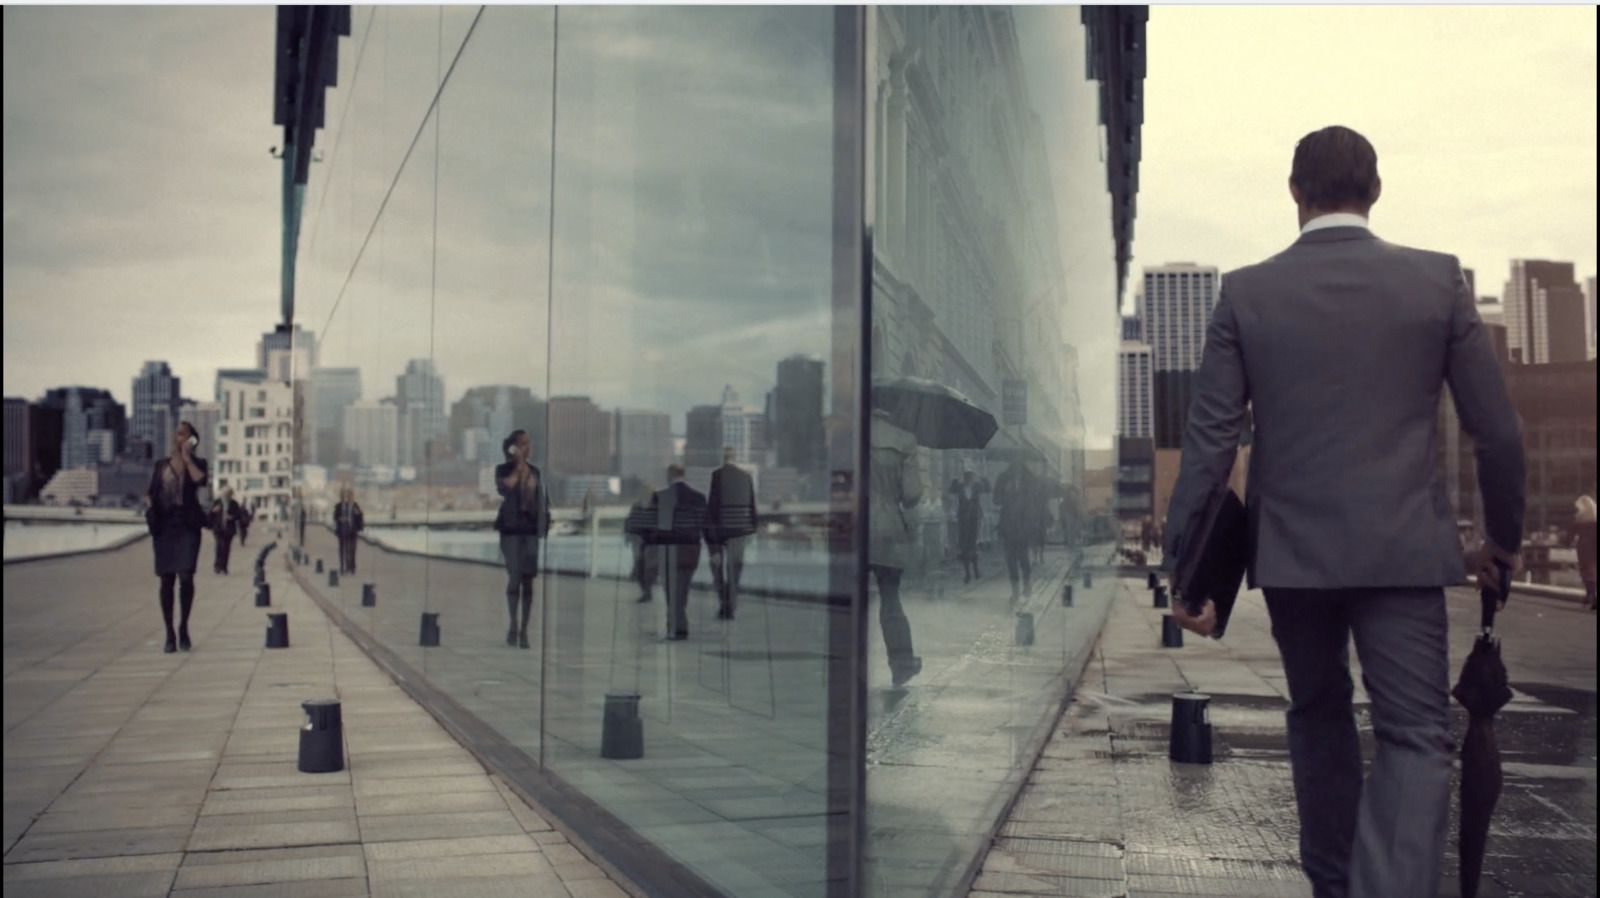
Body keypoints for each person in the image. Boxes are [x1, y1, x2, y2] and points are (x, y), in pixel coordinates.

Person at [1161, 126, 1525, 898]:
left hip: (1294, 557)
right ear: (1377, 190)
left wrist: (1184, 568)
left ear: (1294, 192)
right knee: (1415, 735)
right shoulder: (1438, 282)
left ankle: (1334, 885)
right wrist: (1503, 540)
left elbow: (1210, 440)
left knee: (1319, 714)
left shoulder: (1246, 292)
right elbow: (1496, 431)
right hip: (1403, 554)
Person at [146, 421, 211, 653]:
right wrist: (149, 503)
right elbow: (151, 490)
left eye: (183, 434)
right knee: (166, 580)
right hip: (164, 529)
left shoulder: (198, 463)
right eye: (177, 434)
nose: (178, 437)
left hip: (187, 528)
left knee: (186, 576)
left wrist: (187, 458)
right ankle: (170, 633)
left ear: (192, 439)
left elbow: (199, 481)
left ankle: (183, 626)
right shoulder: (160, 465)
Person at [870, 409, 923, 686]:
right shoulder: (903, 440)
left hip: (849, 526)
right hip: (886, 527)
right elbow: (912, 494)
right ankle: (901, 664)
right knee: (890, 598)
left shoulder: (843, 436)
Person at [495, 430, 549, 649]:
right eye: (523, 444)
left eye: (529, 444)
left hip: (529, 532)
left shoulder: (535, 472)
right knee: (514, 579)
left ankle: (524, 630)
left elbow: (541, 499)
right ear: (514, 448)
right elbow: (505, 488)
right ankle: (513, 624)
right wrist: (517, 467)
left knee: (529, 581)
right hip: (511, 532)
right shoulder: (503, 470)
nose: (528, 448)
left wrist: (544, 522)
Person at [645, 464, 710, 640]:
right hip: (690, 551)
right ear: (683, 475)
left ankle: (676, 626)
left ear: (670, 475)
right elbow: (706, 527)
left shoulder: (661, 497)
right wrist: (714, 550)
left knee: (671, 591)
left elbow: (652, 528)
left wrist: (650, 552)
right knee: (683, 589)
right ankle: (678, 624)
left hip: (668, 550)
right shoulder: (699, 498)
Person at [708, 446, 757, 620]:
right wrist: (752, 527)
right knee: (735, 569)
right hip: (740, 530)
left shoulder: (717, 476)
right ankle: (732, 604)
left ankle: (724, 603)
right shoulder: (746, 477)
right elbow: (752, 504)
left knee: (717, 568)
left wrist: (710, 536)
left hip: (721, 531)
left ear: (723, 457)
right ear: (734, 457)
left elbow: (713, 506)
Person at [992, 458, 1037, 601]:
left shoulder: (1029, 480)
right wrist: (1005, 493)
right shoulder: (1003, 478)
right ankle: (1015, 589)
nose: (1016, 468)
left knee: (1023, 558)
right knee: (1010, 559)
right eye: (1013, 465)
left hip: (1023, 524)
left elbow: (1033, 500)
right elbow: (996, 500)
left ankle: (1027, 585)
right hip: (1008, 525)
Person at [948, 469, 989, 583]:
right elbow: (951, 490)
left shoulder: (977, 486)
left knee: (973, 546)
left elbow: (988, 488)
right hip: (963, 521)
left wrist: (982, 476)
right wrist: (956, 477)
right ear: (964, 477)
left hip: (974, 520)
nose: (968, 478)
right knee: (964, 547)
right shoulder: (960, 487)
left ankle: (976, 571)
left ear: (973, 477)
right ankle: (967, 574)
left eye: (970, 476)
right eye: (966, 476)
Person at [625, 483, 660, 603]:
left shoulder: (657, 506)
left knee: (648, 567)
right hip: (641, 541)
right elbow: (630, 522)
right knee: (641, 567)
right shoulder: (637, 506)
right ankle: (646, 591)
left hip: (652, 542)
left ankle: (647, 590)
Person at [208, 487, 246, 575]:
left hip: (229, 529)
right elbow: (210, 514)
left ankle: (224, 567)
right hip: (218, 528)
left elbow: (238, 515)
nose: (225, 495)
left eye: (228, 494)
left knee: (226, 548)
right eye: (224, 494)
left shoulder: (234, 504)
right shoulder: (217, 502)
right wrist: (213, 511)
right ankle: (217, 566)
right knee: (219, 546)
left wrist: (232, 517)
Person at [333, 485, 365, 575]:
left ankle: (352, 567)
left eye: (349, 495)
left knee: (352, 550)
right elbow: (335, 517)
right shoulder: (339, 506)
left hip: (353, 531)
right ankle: (343, 567)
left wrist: (359, 517)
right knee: (343, 550)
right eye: (345, 495)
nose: (347, 497)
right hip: (342, 531)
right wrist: (341, 519)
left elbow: (360, 516)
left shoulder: (355, 505)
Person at [1574, 495, 1596, 612]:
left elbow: (1570, 535)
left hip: (1584, 548)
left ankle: (1590, 594)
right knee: (1594, 570)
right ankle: (1592, 596)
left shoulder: (1579, 519)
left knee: (1586, 572)